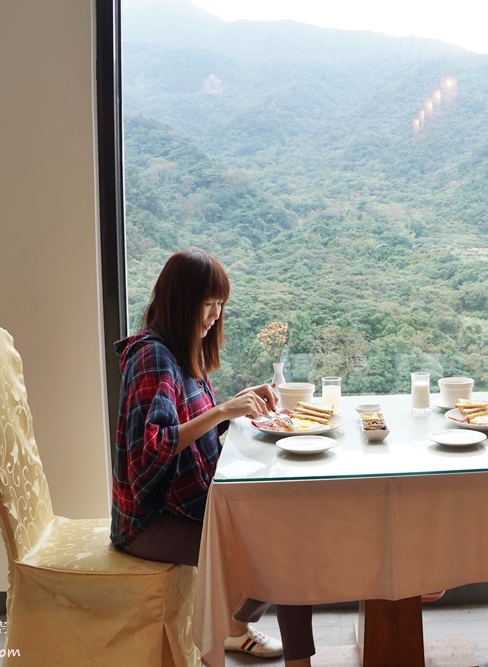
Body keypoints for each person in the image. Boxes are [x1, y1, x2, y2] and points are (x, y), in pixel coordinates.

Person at [110, 248, 316, 665]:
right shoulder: (153, 357)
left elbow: (191, 429)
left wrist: (238, 405)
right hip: (150, 523)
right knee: (283, 550)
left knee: (288, 533)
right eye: (208, 304)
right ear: (181, 302)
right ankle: (236, 633)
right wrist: (222, 411)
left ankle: (232, 627)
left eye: (220, 305)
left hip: (186, 506)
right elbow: (147, 457)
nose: (215, 315)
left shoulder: (181, 352)